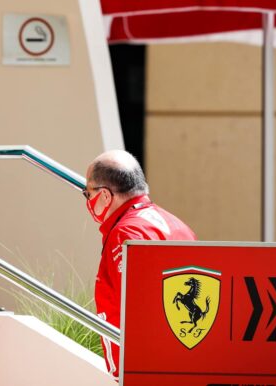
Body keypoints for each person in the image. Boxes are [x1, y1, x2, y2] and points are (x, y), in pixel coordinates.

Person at [84, 150, 196, 379]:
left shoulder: (126, 233)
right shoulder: (177, 225)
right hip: (181, 361)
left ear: (105, 196)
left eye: (87, 194)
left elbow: (137, 308)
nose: (87, 201)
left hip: (146, 371)